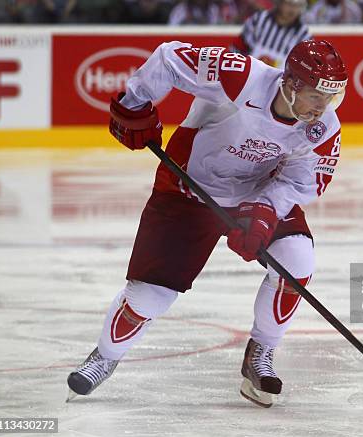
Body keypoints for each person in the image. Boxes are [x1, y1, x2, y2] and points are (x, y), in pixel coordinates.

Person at [66, 39, 348, 408]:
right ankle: (104, 356)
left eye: (330, 98)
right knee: (149, 297)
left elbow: (302, 181)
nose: (322, 107)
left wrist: (264, 210)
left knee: (298, 260)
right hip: (188, 188)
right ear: (292, 84)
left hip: (254, 193)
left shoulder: (322, 127)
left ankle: (261, 352)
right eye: (316, 96)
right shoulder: (242, 77)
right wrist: (135, 102)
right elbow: (169, 58)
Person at [231, 0, 311, 69]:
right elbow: (237, 47)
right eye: (289, 4)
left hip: (279, 83)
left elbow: (303, 66)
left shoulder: (303, 34)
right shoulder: (259, 19)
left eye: (298, 6)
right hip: (250, 76)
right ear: (280, 2)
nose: (293, 10)